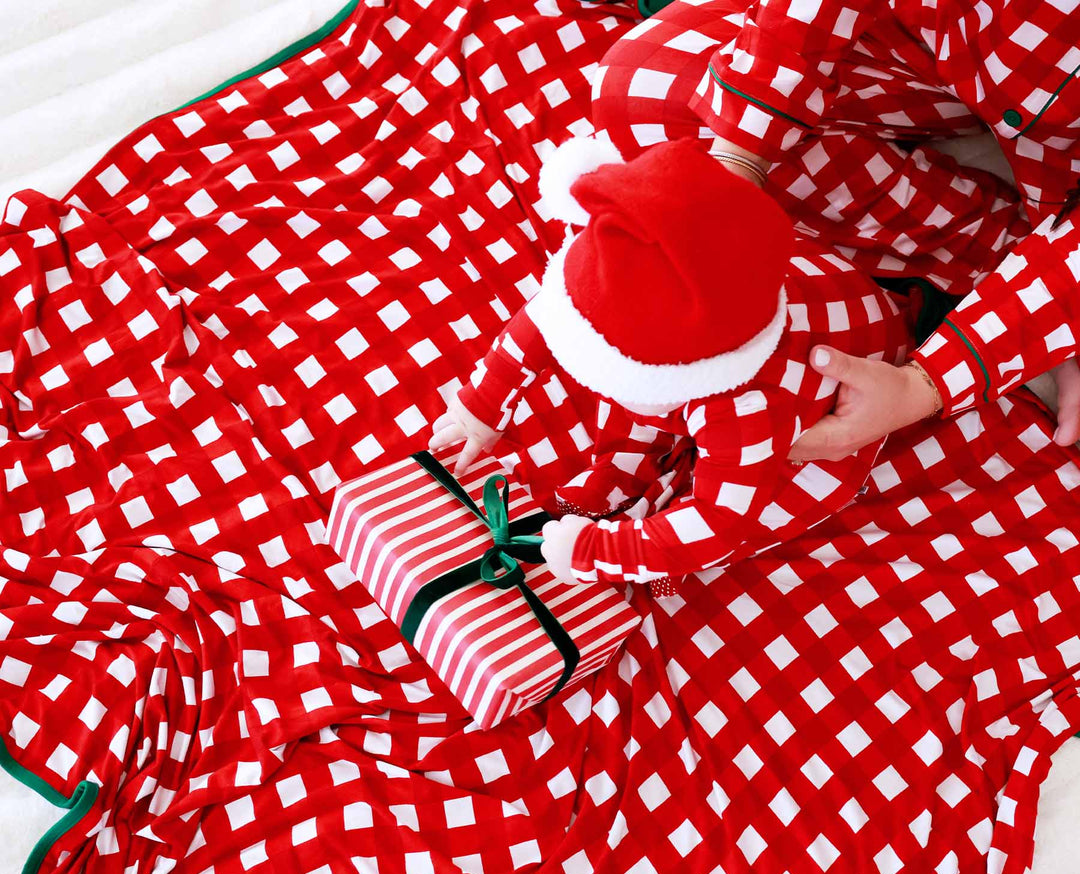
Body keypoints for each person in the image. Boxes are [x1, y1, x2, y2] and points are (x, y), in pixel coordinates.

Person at [597, 0, 1080, 454]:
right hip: (919, 48)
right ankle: (1007, 264)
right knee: (647, 87)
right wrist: (737, 160)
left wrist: (929, 383)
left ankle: (1028, 284)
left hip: (1060, 160)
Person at [430, 137, 916, 586]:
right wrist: (482, 406)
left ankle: (644, 536)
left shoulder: (746, 407)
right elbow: (540, 323)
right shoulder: (614, 264)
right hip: (776, 299)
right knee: (630, 401)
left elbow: (720, 521)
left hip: (827, 404)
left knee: (780, 500)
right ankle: (619, 470)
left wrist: (598, 552)